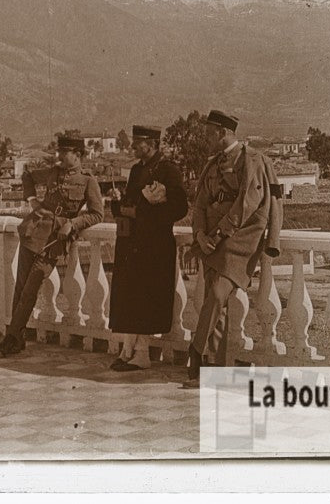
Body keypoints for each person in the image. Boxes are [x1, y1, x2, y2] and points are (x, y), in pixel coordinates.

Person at [181, 110, 283, 389]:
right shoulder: (211, 165)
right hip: (212, 242)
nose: (205, 136)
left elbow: (249, 202)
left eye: (209, 131)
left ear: (222, 132)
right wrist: (200, 235)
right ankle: (219, 370)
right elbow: (200, 203)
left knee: (215, 295)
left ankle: (197, 353)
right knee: (218, 306)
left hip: (239, 241)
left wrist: (218, 233)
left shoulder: (252, 160)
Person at [0, 133, 105, 357]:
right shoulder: (53, 172)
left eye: (65, 153)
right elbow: (27, 176)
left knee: (31, 287)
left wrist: (73, 223)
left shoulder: (87, 180)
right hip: (33, 231)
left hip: (55, 240)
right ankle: (16, 339)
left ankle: (11, 337)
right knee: (21, 287)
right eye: (59, 152)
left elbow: (97, 214)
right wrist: (32, 200)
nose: (60, 157)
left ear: (78, 155)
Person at [107, 125, 188, 371]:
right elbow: (132, 203)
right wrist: (120, 203)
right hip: (133, 243)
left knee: (145, 298)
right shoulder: (136, 170)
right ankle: (129, 349)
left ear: (151, 143)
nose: (133, 146)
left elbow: (179, 208)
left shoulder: (168, 170)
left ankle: (141, 354)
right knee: (131, 298)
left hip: (154, 245)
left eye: (138, 142)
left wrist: (144, 212)